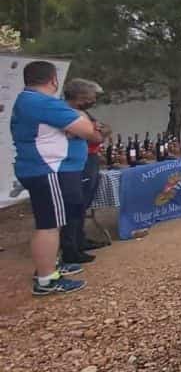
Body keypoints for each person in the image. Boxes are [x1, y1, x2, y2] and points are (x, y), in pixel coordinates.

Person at [11, 61, 102, 295]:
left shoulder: (28, 100)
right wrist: (82, 125)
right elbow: (87, 130)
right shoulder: (41, 102)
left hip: (41, 168)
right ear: (53, 80)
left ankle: (50, 266)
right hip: (46, 169)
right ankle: (46, 279)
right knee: (49, 226)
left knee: (52, 222)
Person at [63, 79, 109, 263]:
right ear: (80, 95)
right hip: (74, 163)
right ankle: (70, 248)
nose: (94, 100)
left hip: (86, 159)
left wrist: (100, 132)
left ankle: (79, 240)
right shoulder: (67, 113)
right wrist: (98, 133)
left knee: (82, 203)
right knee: (74, 205)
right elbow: (95, 136)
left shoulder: (84, 113)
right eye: (91, 96)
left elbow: (103, 129)